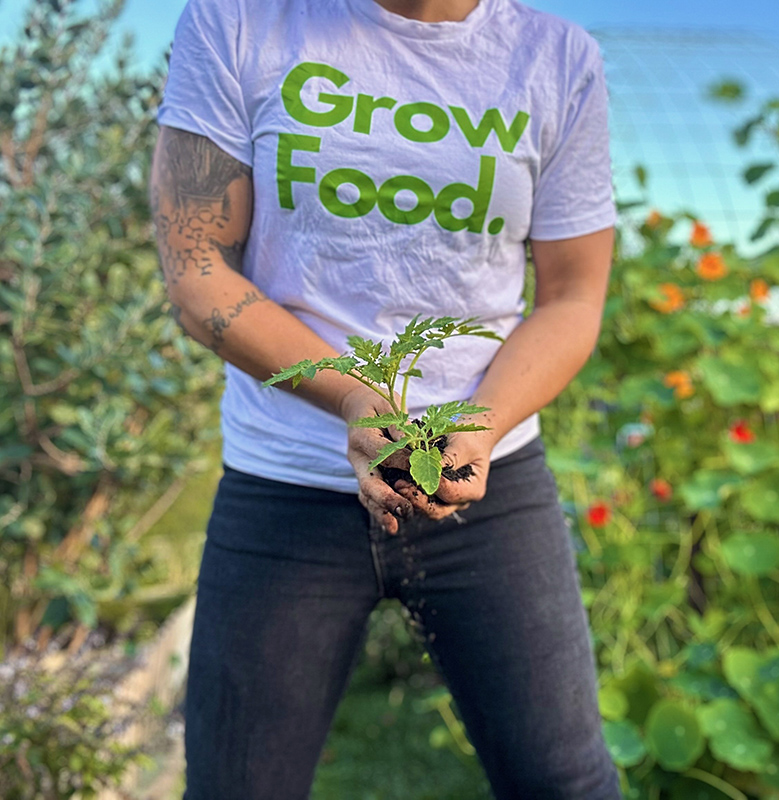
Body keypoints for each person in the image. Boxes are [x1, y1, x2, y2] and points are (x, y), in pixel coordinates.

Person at [149, 0, 622, 796]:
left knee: (567, 782)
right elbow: (197, 268)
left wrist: (476, 422)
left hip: (491, 488)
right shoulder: (239, 21)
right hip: (285, 488)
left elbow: (573, 297)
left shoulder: (556, 59)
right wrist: (356, 401)